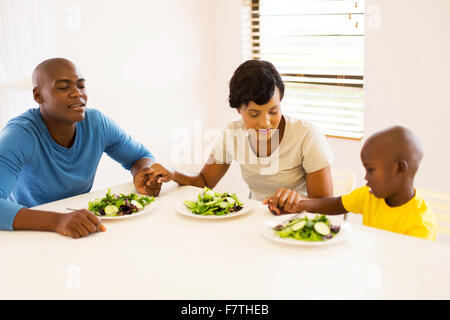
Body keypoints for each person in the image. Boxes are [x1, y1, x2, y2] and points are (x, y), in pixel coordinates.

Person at [0, 58, 161, 238]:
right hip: (31, 232)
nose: (77, 94)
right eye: (63, 87)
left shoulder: (97, 124)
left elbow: (140, 156)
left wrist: (144, 175)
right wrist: (57, 221)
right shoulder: (20, 135)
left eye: (81, 86)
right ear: (38, 96)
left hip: (78, 225)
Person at [146, 60, 335, 201]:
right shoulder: (232, 134)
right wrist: (173, 174)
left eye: (273, 111)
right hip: (257, 222)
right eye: (254, 114)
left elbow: (324, 203)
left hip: (298, 224)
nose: (266, 123)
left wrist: (296, 202)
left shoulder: (306, 135)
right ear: (239, 110)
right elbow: (205, 182)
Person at [263, 126, 438, 241]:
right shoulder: (369, 196)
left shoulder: (420, 226)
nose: (366, 178)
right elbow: (336, 203)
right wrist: (297, 206)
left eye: (371, 170)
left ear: (399, 169)